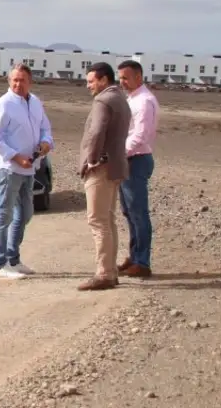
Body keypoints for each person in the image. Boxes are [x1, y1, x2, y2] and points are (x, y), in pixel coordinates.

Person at [0, 63, 54, 280]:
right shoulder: (3, 104)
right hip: (9, 168)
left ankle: (13, 259)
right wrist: (16, 156)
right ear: (9, 81)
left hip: (30, 168)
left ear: (30, 82)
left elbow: (45, 128)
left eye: (22, 80)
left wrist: (45, 143)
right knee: (4, 213)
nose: (18, 84)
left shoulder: (35, 102)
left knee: (25, 213)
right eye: (14, 80)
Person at [77, 62, 132, 291]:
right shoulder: (120, 99)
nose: (88, 86)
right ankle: (110, 271)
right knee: (108, 220)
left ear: (103, 80)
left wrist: (91, 159)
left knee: (98, 221)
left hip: (101, 168)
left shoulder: (103, 100)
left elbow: (97, 132)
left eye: (91, 81)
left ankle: (104, 274)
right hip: (115, 167)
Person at [117, 59, 159, 278]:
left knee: (139, 213)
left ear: (138, 77)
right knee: (129, 212)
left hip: (136, 160)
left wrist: (118, 153)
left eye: (125, 78)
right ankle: (134, 256)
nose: (122, 82)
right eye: (120, 78)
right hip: (128, 160)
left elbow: (140, 136)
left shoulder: (144, 101)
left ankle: (142, 262)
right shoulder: (132, 98)